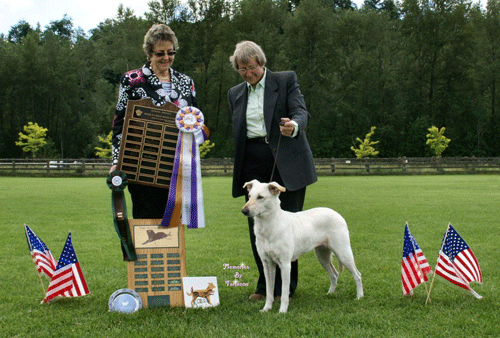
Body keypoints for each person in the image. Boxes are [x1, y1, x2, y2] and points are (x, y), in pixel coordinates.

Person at [228, 41, 317, 301]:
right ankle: (264, 286)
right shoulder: (234, 93)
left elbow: (301, 111)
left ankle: (286, 288)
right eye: (242, 69)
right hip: (254, 164)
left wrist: (295, 125)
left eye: (251, 67)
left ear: (262, 63)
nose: (248, 73)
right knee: (258, 228)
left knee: (288, 227)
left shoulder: (285, 80)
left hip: (286, 162)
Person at [109, 23, 198, 219]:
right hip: (142, 165)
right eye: (160, 53)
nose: (166, 57)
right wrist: (117, 160)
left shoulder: (186, 82)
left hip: (176, 165)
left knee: (173, 224)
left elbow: (195, 121)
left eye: (170, 52)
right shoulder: (132, 80)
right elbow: (119, 123)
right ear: (149, 54)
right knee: (146, 221)